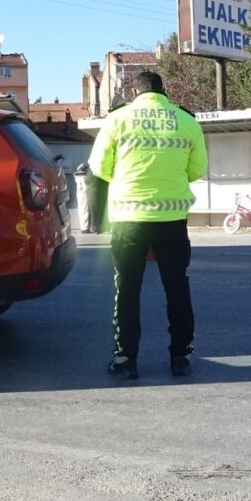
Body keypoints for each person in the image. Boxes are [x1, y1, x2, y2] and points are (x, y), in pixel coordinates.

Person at [88, 71, 208, 380]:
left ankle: (126, 359)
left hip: (129, 219)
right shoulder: (187, 121)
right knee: (177, 286)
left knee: (127, 288)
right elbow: (198, 169)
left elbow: (99, 167)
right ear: (162, 91)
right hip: (172, 219)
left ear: (135, 91)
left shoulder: (118, 119)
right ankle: (180, 358)